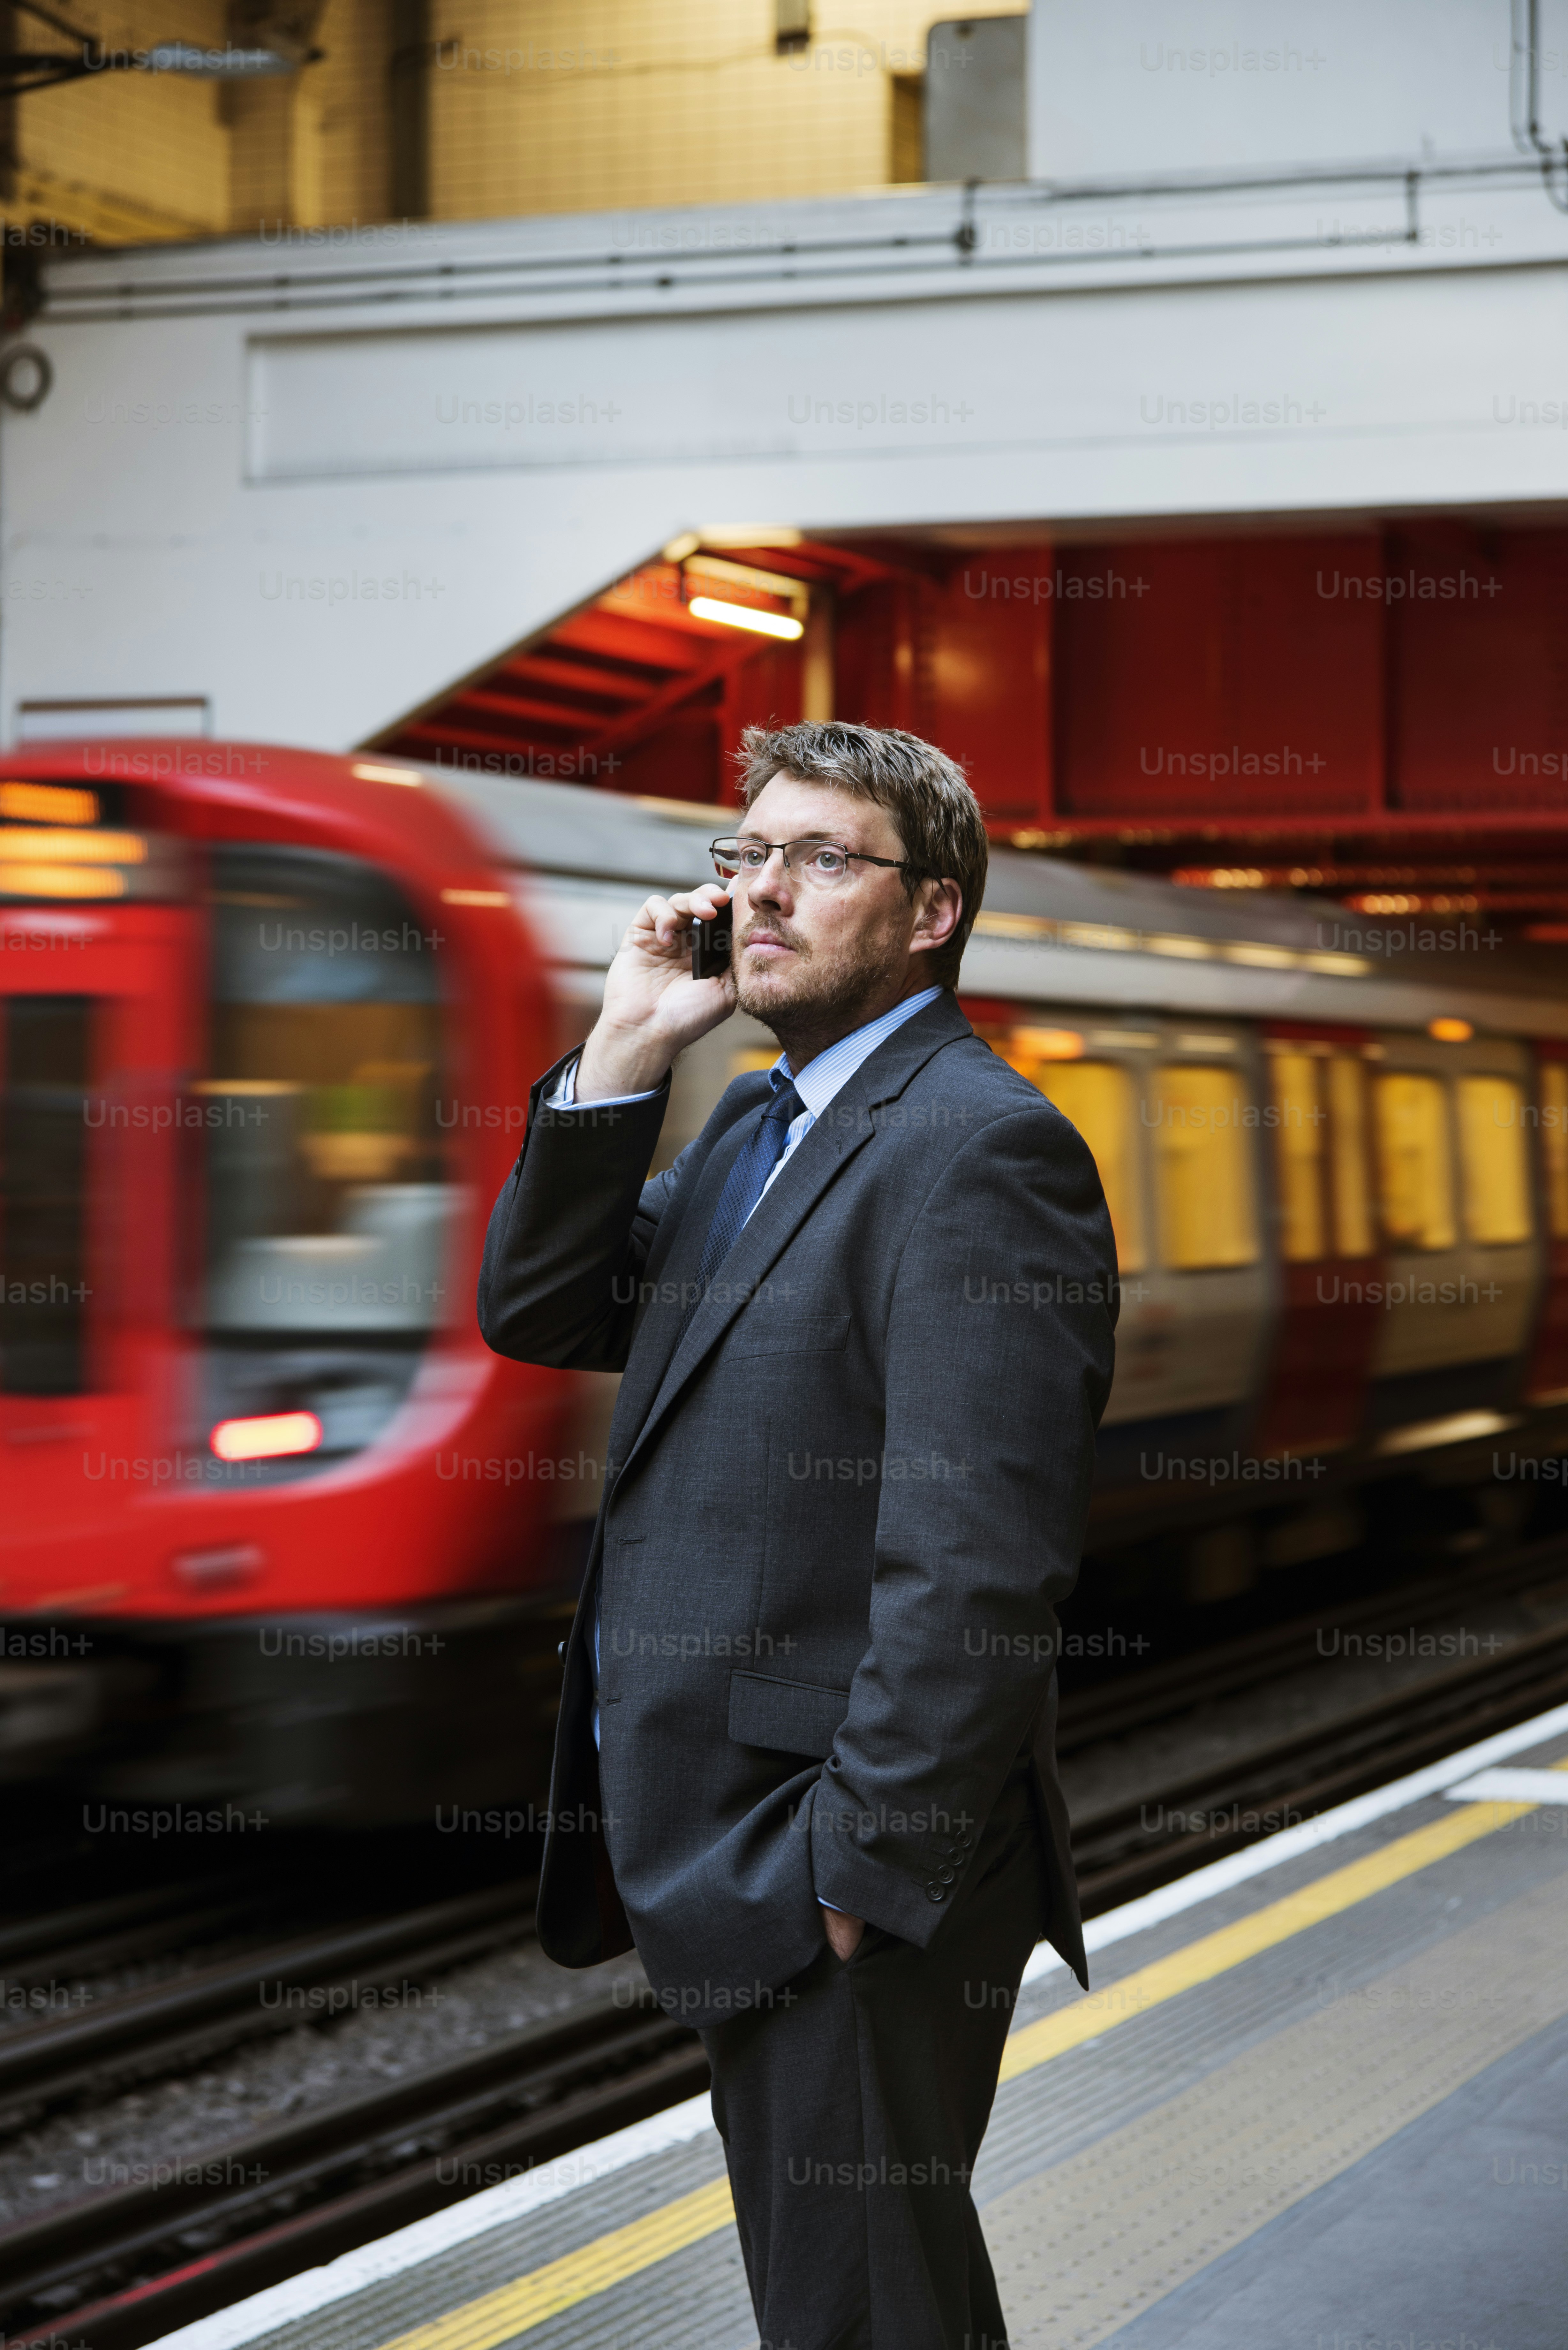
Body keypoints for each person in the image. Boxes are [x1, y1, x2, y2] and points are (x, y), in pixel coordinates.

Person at [479, 719, 1117, 2350]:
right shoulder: (755, 1127)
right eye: (745, 855)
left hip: (832, 1855)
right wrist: (626, 1045)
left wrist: (855, 1872)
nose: (762, 890)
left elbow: (980, 1562)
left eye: (822, 859)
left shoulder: (981, 1150)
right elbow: (544, 1308)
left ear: (932, 911)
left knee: (857, 2313)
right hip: (744, 1840)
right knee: (871, 2302)